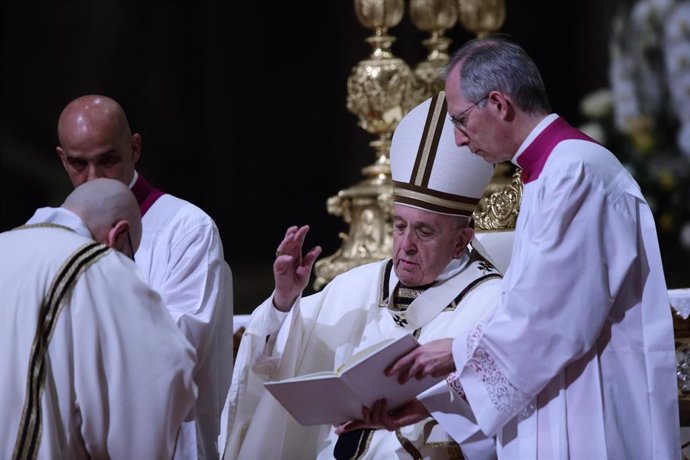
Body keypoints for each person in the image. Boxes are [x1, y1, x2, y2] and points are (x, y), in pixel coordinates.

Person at [387, 37, 681, 458]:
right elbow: (531, 314)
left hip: (589, 414)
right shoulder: (549, 174)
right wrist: (429, 402)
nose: (459, 139)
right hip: (558, 404)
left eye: (461, 120)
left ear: (499, 104)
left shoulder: (577, 173)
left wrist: (454, 352)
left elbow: (550, 320)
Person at [221, 93, 502, 460]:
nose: (406, 245)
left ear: (461, 240)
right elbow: (272, 362)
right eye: (400, 226)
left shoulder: (493, 301)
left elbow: (502, 400)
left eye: (425, 232)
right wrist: (285, 300)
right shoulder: (357, 285)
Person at [55, 94, 234, 459]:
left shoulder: (186, 229)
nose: (92, 179)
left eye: (107, 160)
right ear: (62, 159)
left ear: (134, 148)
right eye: (78, 164)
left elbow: (180, 348)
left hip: (166, 440)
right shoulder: (49, 237)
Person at [0, 178, 197, 459]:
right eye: (131, 252)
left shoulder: (5, 245)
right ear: (118, 235)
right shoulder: (99, 267)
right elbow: (165, 373)